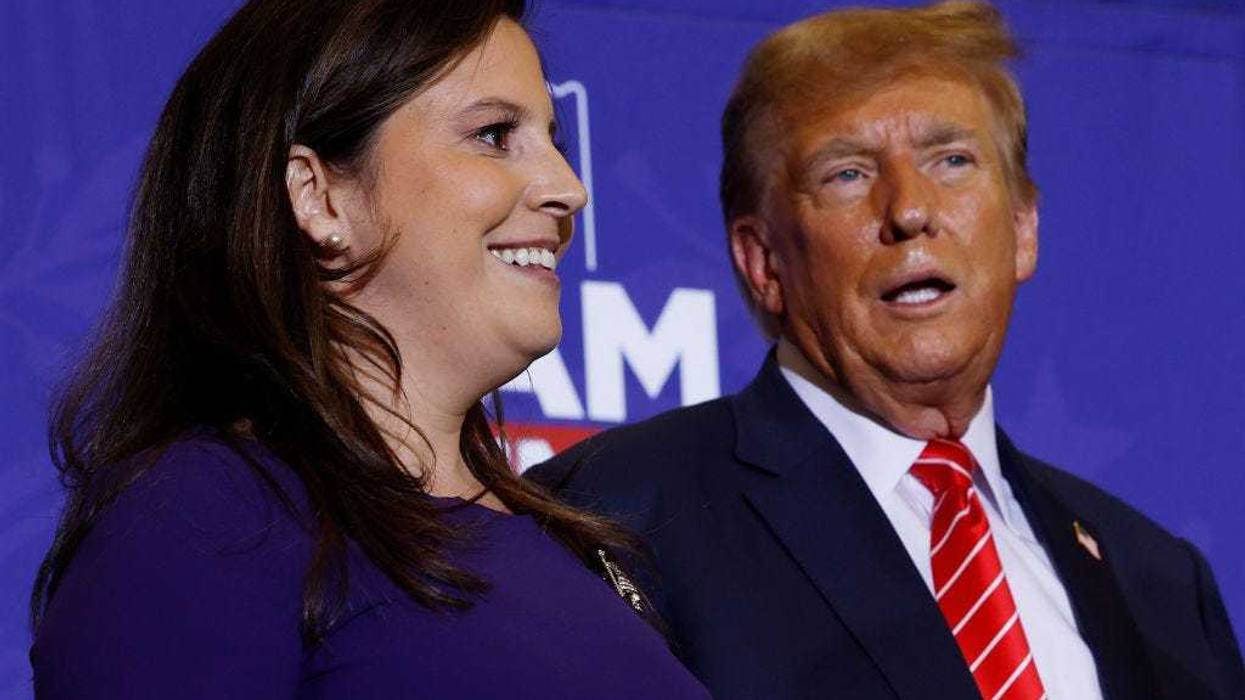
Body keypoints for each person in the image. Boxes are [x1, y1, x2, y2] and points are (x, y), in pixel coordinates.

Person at [528, 2, 1244, 699]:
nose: (909, 209)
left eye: (952, 160)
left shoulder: (1160, 584)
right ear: (763, 261)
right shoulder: (615, 520)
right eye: (848, 174)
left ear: (1023, 228)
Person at [28, 1, 712, 698]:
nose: (570, 189)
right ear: (319, 198)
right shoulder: (205, 518)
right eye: (493, 135)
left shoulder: (571, 545)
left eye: (551, 140)